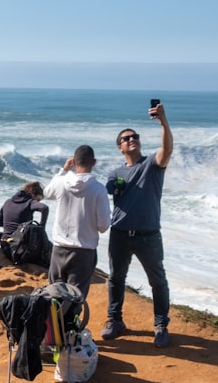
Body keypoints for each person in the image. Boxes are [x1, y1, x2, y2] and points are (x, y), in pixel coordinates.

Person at [102, 101, 174, 347]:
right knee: (116, 278)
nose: (132, 139)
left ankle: (161, 324)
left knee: (157, 280)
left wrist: (163, 121)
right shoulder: (115, 173)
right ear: (120, 147)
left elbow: (167, 150)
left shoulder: (152, 165)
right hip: (120, 233)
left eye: (135, 136)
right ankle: (114, 320)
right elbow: (104, 196)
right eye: (126, 138)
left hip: (148, 235)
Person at [43, 145, 111, 299]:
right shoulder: (99, 189)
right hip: (84, 250)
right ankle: (70, 323)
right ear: (94, 162)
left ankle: (53, 323)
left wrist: (63, 170)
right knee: (75, 298)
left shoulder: (61, 182)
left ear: (73, 162)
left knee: (54, 294)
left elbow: (47, 193)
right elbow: (103, 226)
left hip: (59, 248)